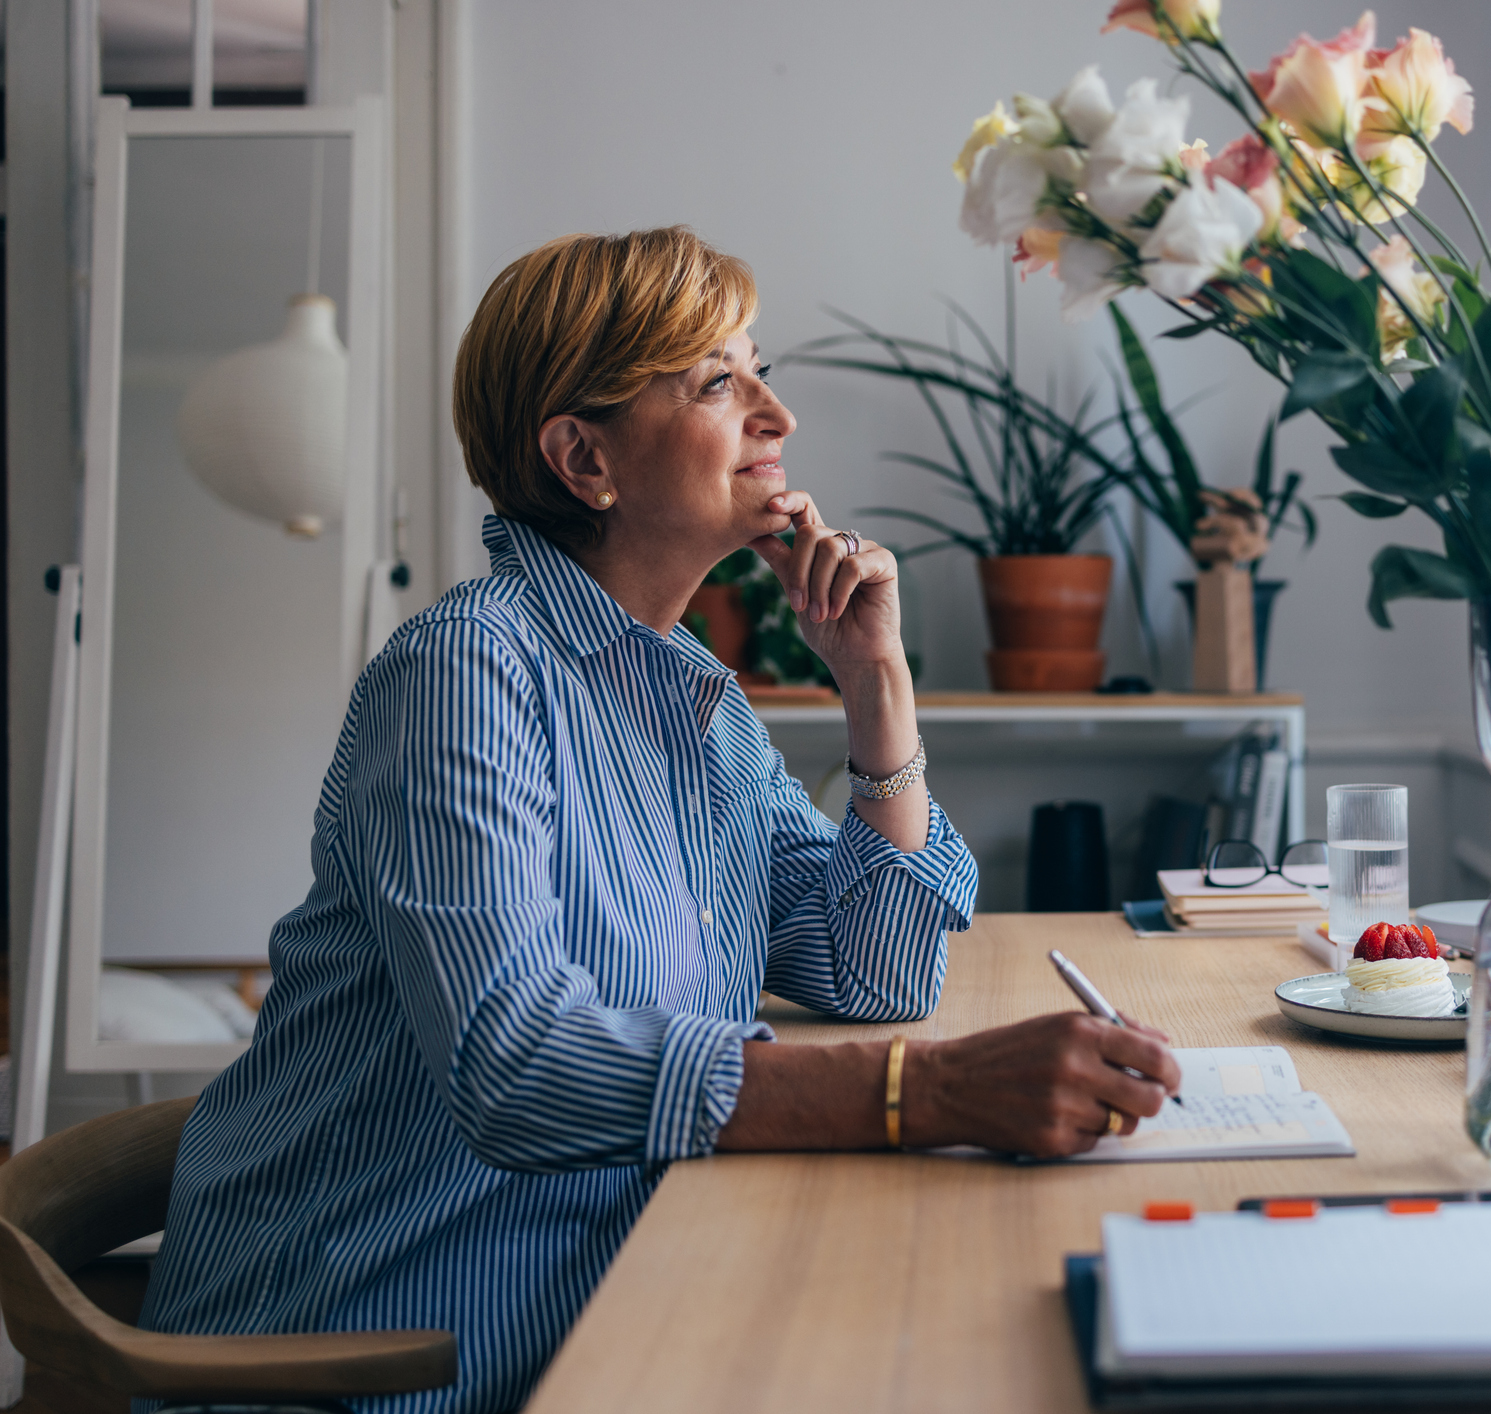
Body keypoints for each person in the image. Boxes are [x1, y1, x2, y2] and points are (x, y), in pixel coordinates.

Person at [139, 227, 1181, 1414]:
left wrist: (874, 687)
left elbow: (872, 968)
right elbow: (516, 1065)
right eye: (716, 382)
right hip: (381, 1345)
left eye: (757, 367)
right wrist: (923, 1094)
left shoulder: (695, 696)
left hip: (617, 1282)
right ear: (584, 458)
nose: (776, 414)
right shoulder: (465, 677)